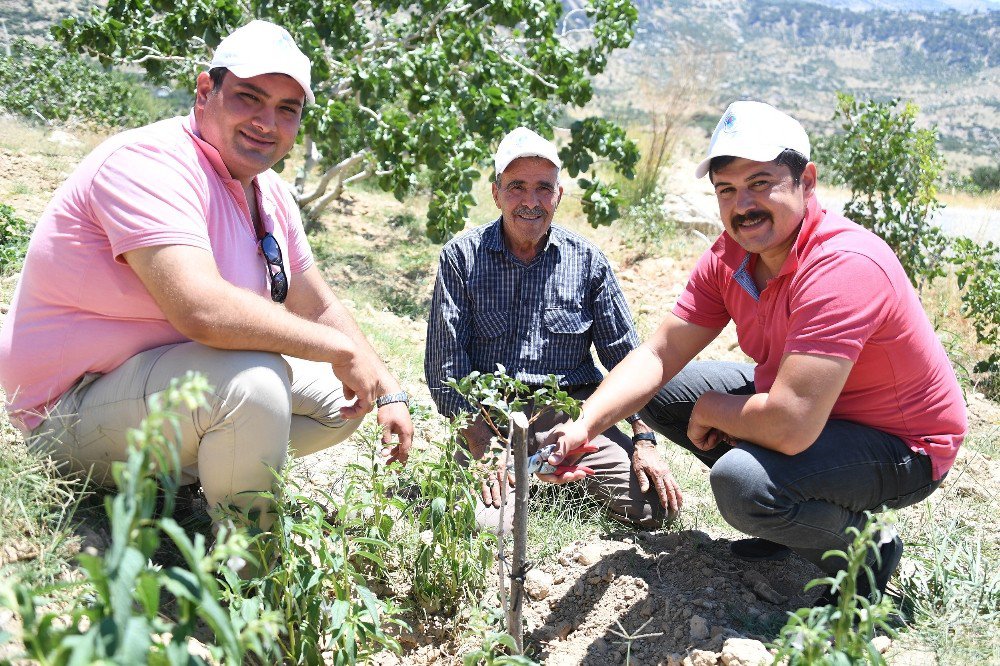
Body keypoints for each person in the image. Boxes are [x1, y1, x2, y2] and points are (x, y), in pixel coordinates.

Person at [0, 20, 413, 528]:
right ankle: (248, 577)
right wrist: (340, 351)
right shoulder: (149, 163)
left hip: (158, 386)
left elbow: (318, 304)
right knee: (254, 386)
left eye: (287, 109)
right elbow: (200, 310)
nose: (267, 121)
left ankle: (193, 469)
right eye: (249, 98)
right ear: (204, 90)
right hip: (68, 411)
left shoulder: (269, 192)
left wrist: (386, 385)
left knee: (341, 399)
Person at [547, 101, 966, 600]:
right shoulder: (730, 257)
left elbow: (789, 426)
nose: (742, 204)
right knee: (663, 392)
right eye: (726, 189)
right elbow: (660, 354)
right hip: (813, 416)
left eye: (760, 183)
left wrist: (713, 409)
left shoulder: (843, 265)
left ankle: (867, 550)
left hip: (900, 445)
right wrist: (583, 426)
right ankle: (794, 523)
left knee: (742, 483)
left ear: (806, 181)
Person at [424, 127, 680, 532]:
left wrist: (644, 439)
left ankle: (547, 474)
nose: (530, 201)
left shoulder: (588, 261)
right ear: (496, 193)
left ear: (559, 195)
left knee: (653, 508)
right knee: (491, 528)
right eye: (517, 187)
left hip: (569, 417)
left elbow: (629, 359)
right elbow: (445, 367)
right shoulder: (461, 258)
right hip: (490, 420)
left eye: (543, 188)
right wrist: (480, 443)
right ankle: (530, 476)